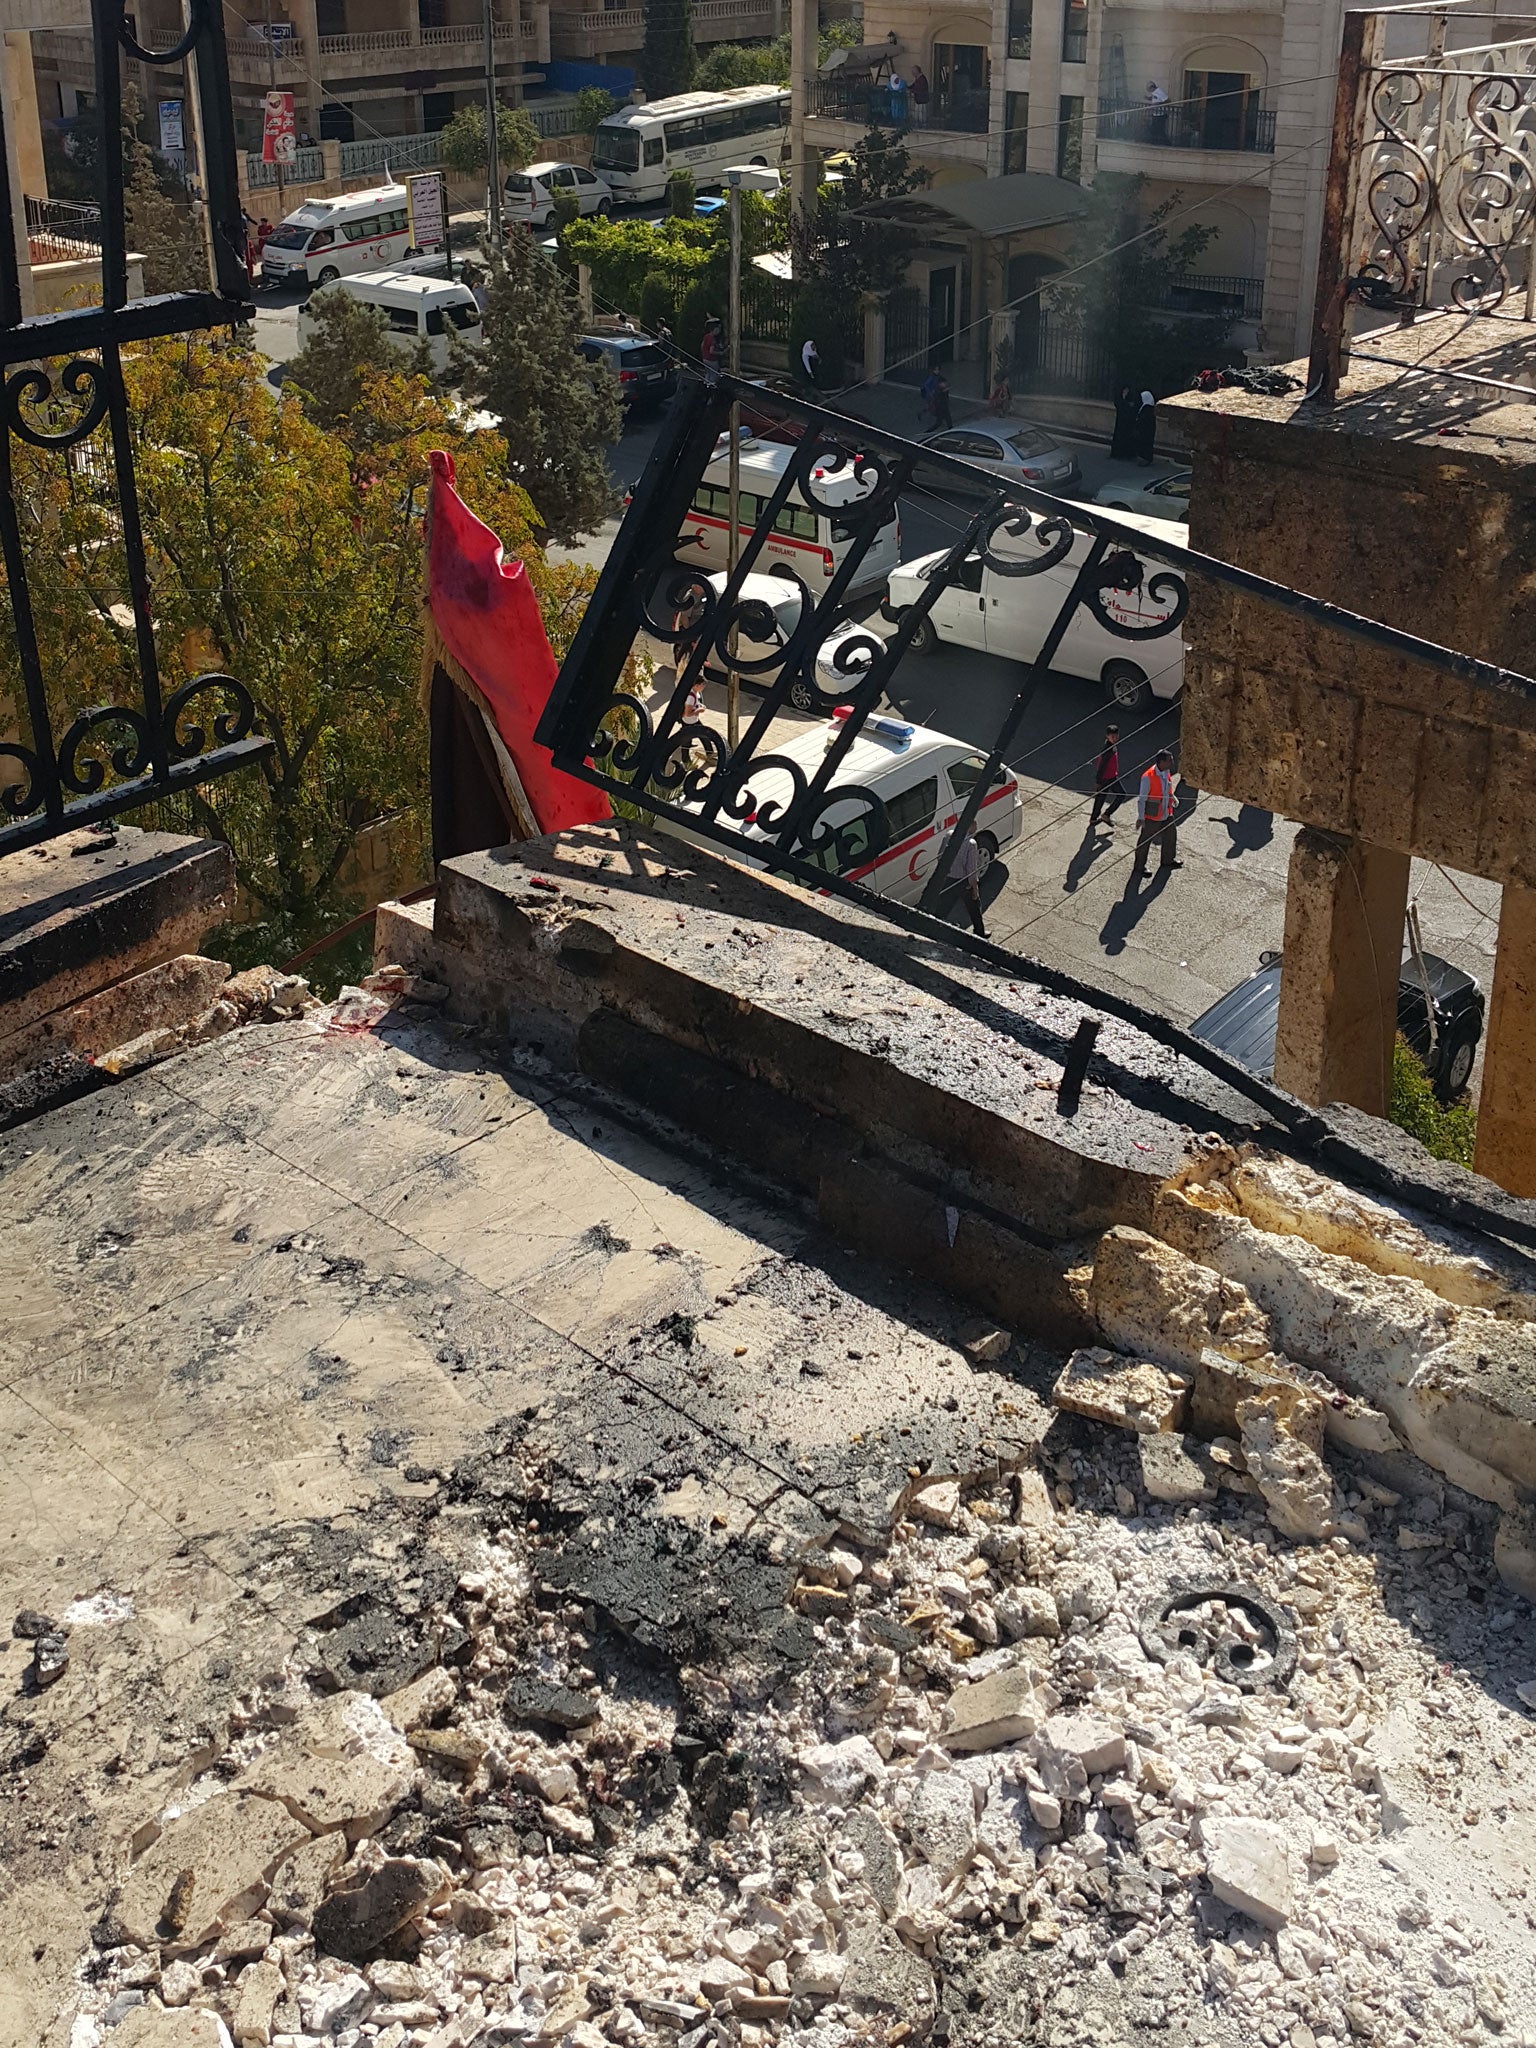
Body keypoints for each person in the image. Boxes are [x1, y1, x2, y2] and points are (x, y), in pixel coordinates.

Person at [1131, 748, 1182, 881]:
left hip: (1166, 812)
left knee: (1171, 835)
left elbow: (1167, 789)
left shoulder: (1166, 772)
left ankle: (1168, 860)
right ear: (1161, 762)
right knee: (1145, 841)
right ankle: (1139, 867)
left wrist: (1173, 798)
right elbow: (1142, 799)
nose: (1172, 762)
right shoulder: (1148, 777)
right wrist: (1141, 817)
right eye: (1169, 761)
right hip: (1152, 815)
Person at [942, 820, 987, 936]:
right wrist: (975, 888)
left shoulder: (948, 835)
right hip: (963, 881)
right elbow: (971, 870)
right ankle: (980, 932)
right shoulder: (971, 843)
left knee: (944, 906)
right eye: (975, 825)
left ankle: (937, 930)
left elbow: (940, 856)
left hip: (948, 879)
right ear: (971, 827)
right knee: (974, 908)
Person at [1089, 724, 1125, 827]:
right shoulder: (1108, 750)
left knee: (1102, 799)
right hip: (1106, 779)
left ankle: (1100, 816)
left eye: (1116, 736)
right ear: (1107, 736)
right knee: (1104, 798)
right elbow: (1101, 767)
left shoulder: (1112, 746)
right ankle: (1103, 815)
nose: (1115, 738)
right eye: (1112, 737)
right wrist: (1098, 782)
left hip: (1112, 776)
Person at [1111, 383, 1139, 460]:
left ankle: (1127, 454)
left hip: (1128, 420)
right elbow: (1118, 404)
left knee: (1127, 436)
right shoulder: (1119, 395)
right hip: (1121, 419)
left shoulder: (1132, 395)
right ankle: (1118, 453)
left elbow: (1134, 405)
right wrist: (1124, 401)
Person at [1135, 386, 1157, 464]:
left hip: (1146, 431)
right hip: (1145, 431)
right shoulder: (1147, 408)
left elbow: (1144, 420)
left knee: (1146, 444)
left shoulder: (1147, 410)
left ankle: (1146, 459)